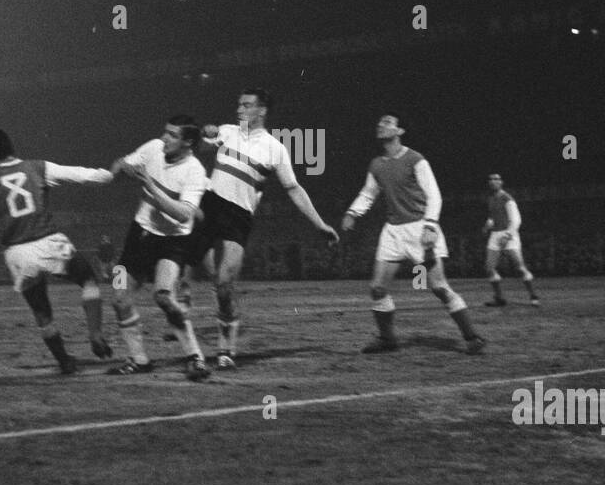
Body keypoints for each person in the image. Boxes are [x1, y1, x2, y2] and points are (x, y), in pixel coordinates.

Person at [187, 89, 338, 369]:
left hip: (239, 216)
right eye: (239, 104)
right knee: (192, 270)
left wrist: (319, 224)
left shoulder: (274, 148)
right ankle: (189, 339)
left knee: (224, 284)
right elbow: (198, 145)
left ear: (262, 111)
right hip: (211, 206)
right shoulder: (228, 131)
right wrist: (204, 133)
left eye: (246, 105)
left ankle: (225, 347)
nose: (239, 109)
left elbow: (293, 188)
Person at [0, 128, 113, 374]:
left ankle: (64, 361)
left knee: (42, 312)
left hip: (18, 253)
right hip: (49, 241)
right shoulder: (37, 167)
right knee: (88, 280)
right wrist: (110, 175)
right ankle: (95, 334)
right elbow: (81, 175)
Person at [340, 114, 486, 355]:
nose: (381, 125)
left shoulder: (415, 159)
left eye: (388, 123)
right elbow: (368, 193)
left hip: (420, 228)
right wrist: (353, 213)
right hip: (392, 232)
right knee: (377, 288)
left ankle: (472, 337)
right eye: (379, 123)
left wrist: (430, 226)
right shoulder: (376, 164)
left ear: (400, 131)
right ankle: (387, 339)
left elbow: (434, 194)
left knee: (439, 287)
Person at [105, 117, 211, 379]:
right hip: (139, 234)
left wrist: (150, 186)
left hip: (173, 241)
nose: (164, 138)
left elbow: (183, 214)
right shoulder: (153, 147)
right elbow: (121, 164)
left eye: (173, 135)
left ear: (188, 142)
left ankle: (195, 357)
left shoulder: (194, 171)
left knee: (163, 296)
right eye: (165, 132)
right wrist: (119, 169)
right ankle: (139, 360)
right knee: (118, 296)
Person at [482, 173, 540, 306]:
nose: (493, 181)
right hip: (495, 234)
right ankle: (499, 298)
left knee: (519, 267)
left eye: (496, 179)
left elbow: (516, 220)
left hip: (509, 234)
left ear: (501, 182)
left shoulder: (507, 199)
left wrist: (507, 235)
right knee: (489, 268)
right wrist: (487, 225)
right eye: (491, 179)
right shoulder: (491, 199)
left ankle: (533, 295)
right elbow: (492, 217)